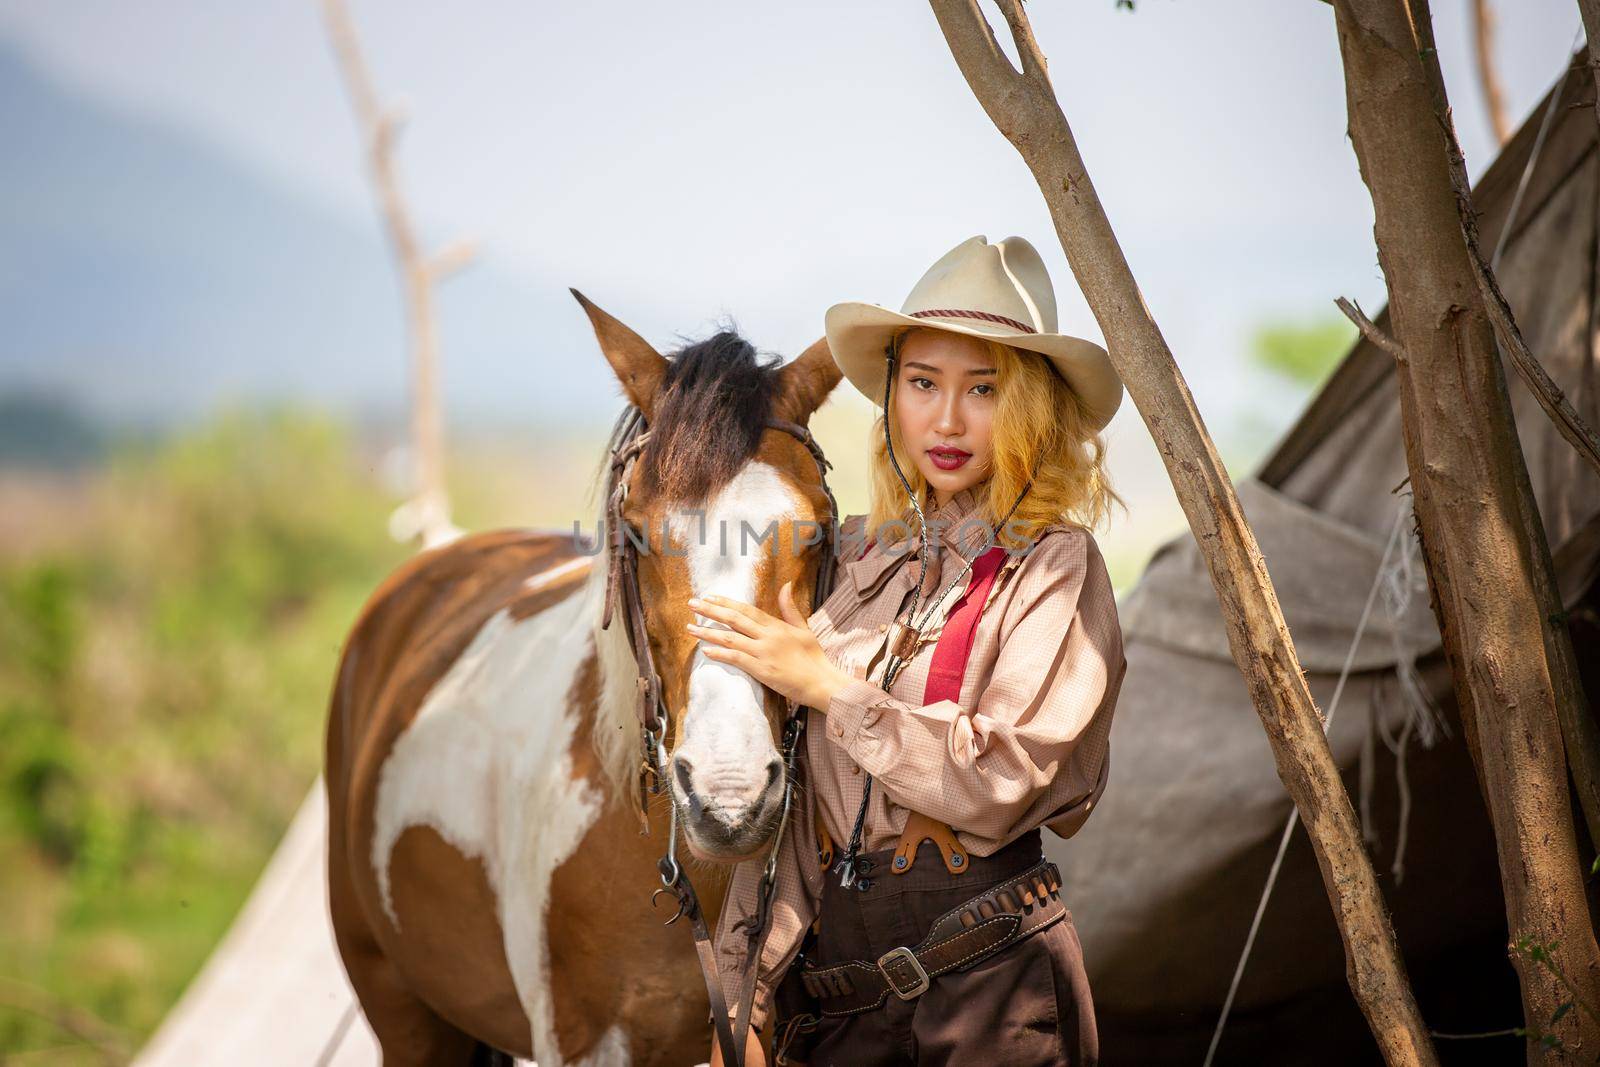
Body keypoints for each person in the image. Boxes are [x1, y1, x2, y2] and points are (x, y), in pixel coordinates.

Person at [690, 235, 1128, 1066]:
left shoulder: (1056, 567)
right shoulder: (850, 558)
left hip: (991, 989)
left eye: (984, 388)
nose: (948, 418)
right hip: (840, 1004)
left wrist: (830, 686)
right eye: (923, 383)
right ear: (893, 395)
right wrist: (742, 1002)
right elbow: (792, 810)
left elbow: (1004, 779)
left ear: (1031, 402)